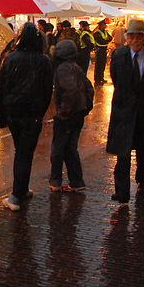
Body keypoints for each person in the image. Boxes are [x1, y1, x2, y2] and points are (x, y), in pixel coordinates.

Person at [0, 22, 53, 211]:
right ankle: (17, 194)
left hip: (13, 112)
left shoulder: (10, 59)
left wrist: (1, 117)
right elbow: (47, 91)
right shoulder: (43, 60)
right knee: (25, 153)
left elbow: (1, 89)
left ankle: (19, 190)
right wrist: (41, 111)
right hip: (32, 113)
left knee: (21, 151)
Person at [106, 19, 144, 203]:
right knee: (122, 154)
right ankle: (122, 191)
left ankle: (143, 182)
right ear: (127, 37)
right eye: (131, 36)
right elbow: (116, 79)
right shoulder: (119, 55)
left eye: (139, 36)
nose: (135, 40)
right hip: (124, 111)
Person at [50, 39, 94, 193]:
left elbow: (70, 91)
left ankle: (55, 181)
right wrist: (85, 108)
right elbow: (89, 89)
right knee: (70, 148)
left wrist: (63, 112)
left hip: (68, 116)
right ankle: (76, 181)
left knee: (58, 148)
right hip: (78, 114)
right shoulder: (77, 68)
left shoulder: (63, 69)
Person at [93, 19, 113, 86]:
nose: (105, 26)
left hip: (104, 49)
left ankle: (101, 77)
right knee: (98, 64)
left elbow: (110, 38)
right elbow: (100, 41)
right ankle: (97, 79)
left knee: (103, 64)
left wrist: (106, 39)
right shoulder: (97, 33)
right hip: (99, 50)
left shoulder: (104, 32)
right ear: (101, 25)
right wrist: (106, 40)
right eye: (104, 25)